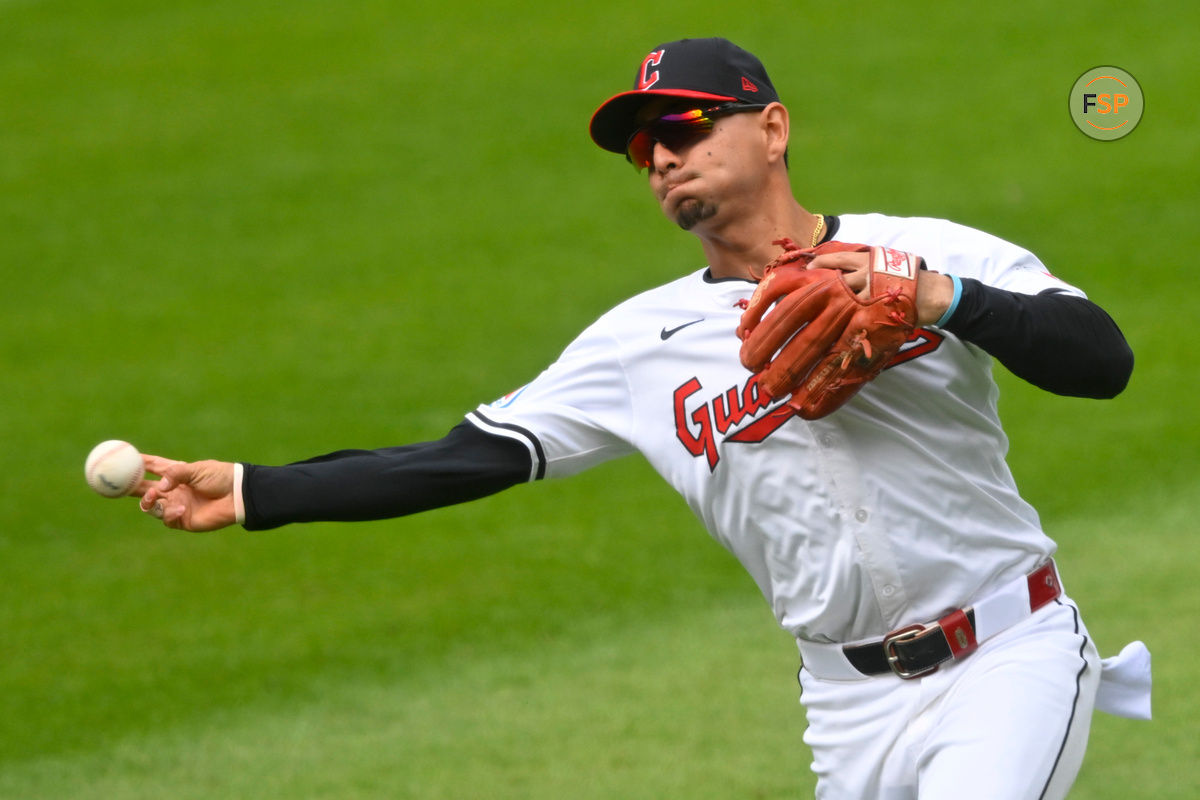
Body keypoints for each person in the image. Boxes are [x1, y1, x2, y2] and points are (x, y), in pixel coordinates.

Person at [134, 38, 1151, 799]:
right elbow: (470, 457)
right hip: (846, 705)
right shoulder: (637, 344)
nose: (660, 156)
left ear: (774, 127)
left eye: (684, 128)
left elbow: (1102, 361)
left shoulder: (922, 246)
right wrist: (260, 490)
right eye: (641, 149)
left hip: (1005, 653)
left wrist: (939, 299)